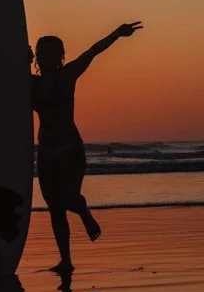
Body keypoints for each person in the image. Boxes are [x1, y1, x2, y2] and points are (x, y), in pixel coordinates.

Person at [31, 22, 143, 272]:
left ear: (60, 56)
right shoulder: (30, 84)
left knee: (69, 198)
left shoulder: (68, 75)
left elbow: (92, 51)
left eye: (51, 53)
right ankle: (66, 261)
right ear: (37, 57)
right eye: (41, 53)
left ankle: (84, 212)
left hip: (70, 147)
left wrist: (116, 34)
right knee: (55, 208)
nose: (46, 57)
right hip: (46, 150)